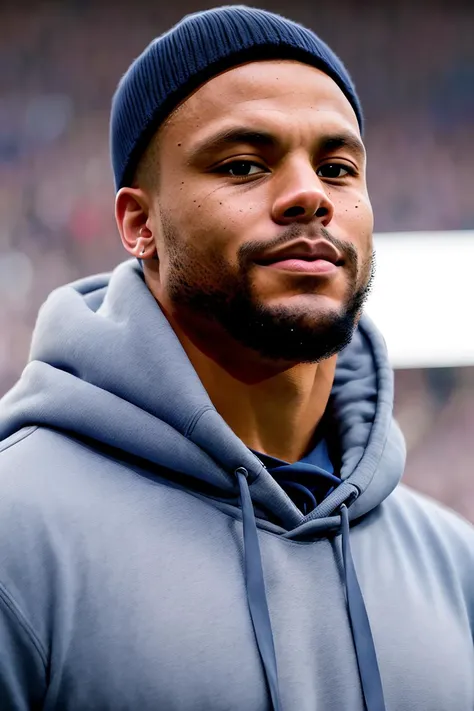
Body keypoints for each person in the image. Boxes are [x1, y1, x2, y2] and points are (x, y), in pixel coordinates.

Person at [0, 6, 472, 710]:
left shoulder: (456, 566)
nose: (311, 194)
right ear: (139, 224)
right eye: (244, 164)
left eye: (338, 168)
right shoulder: (17, 534)